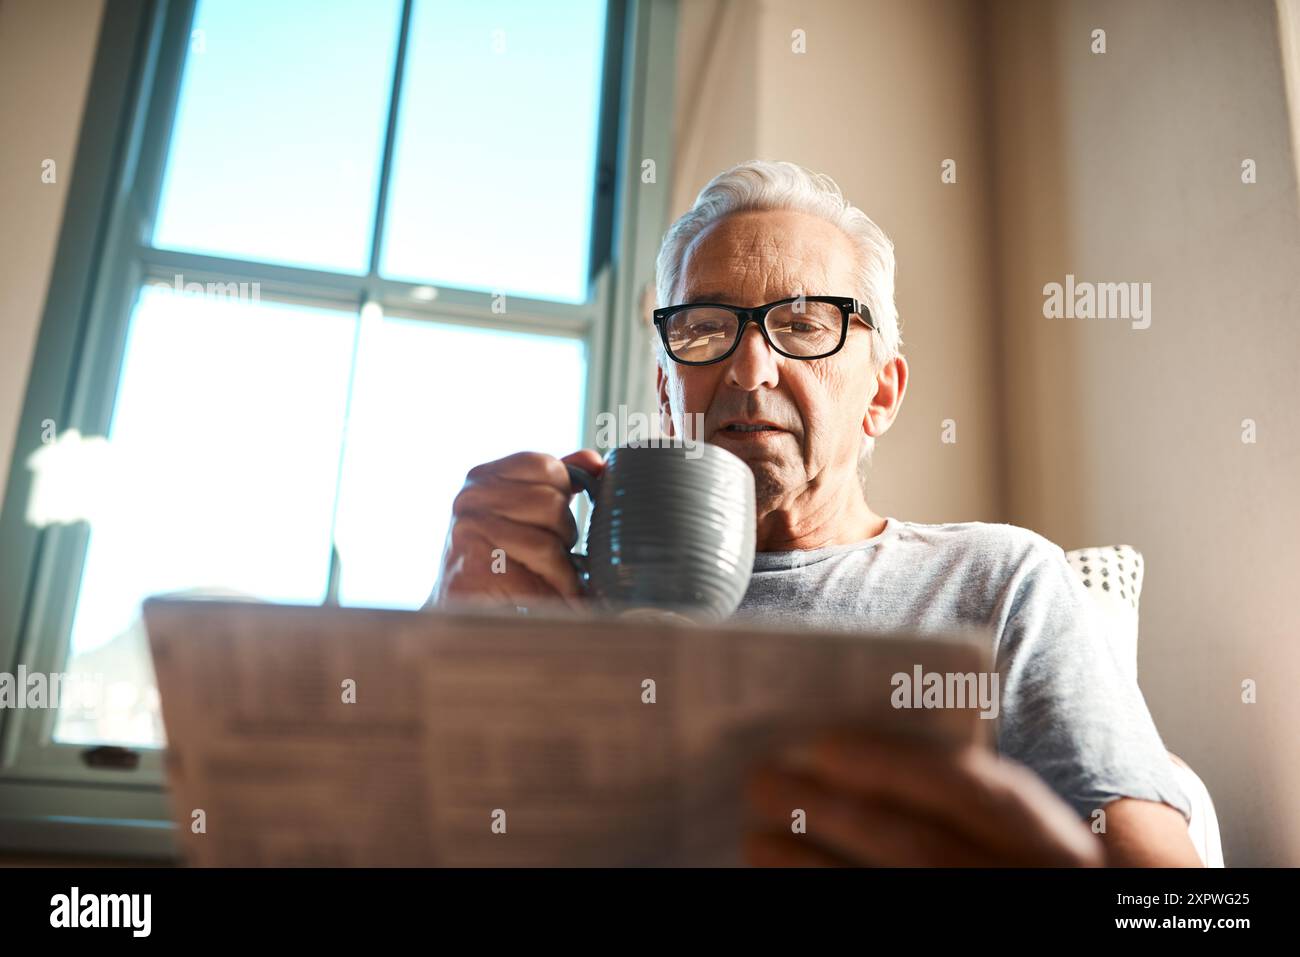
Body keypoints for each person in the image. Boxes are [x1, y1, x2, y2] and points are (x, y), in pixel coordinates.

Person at [431, 160, 1202, 866]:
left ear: (883, 392)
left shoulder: (998, 583)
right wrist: (449, 640)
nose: (748, 366)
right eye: (703, 326)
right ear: (668, 395)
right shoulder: (553, 599)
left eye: (803, 324)